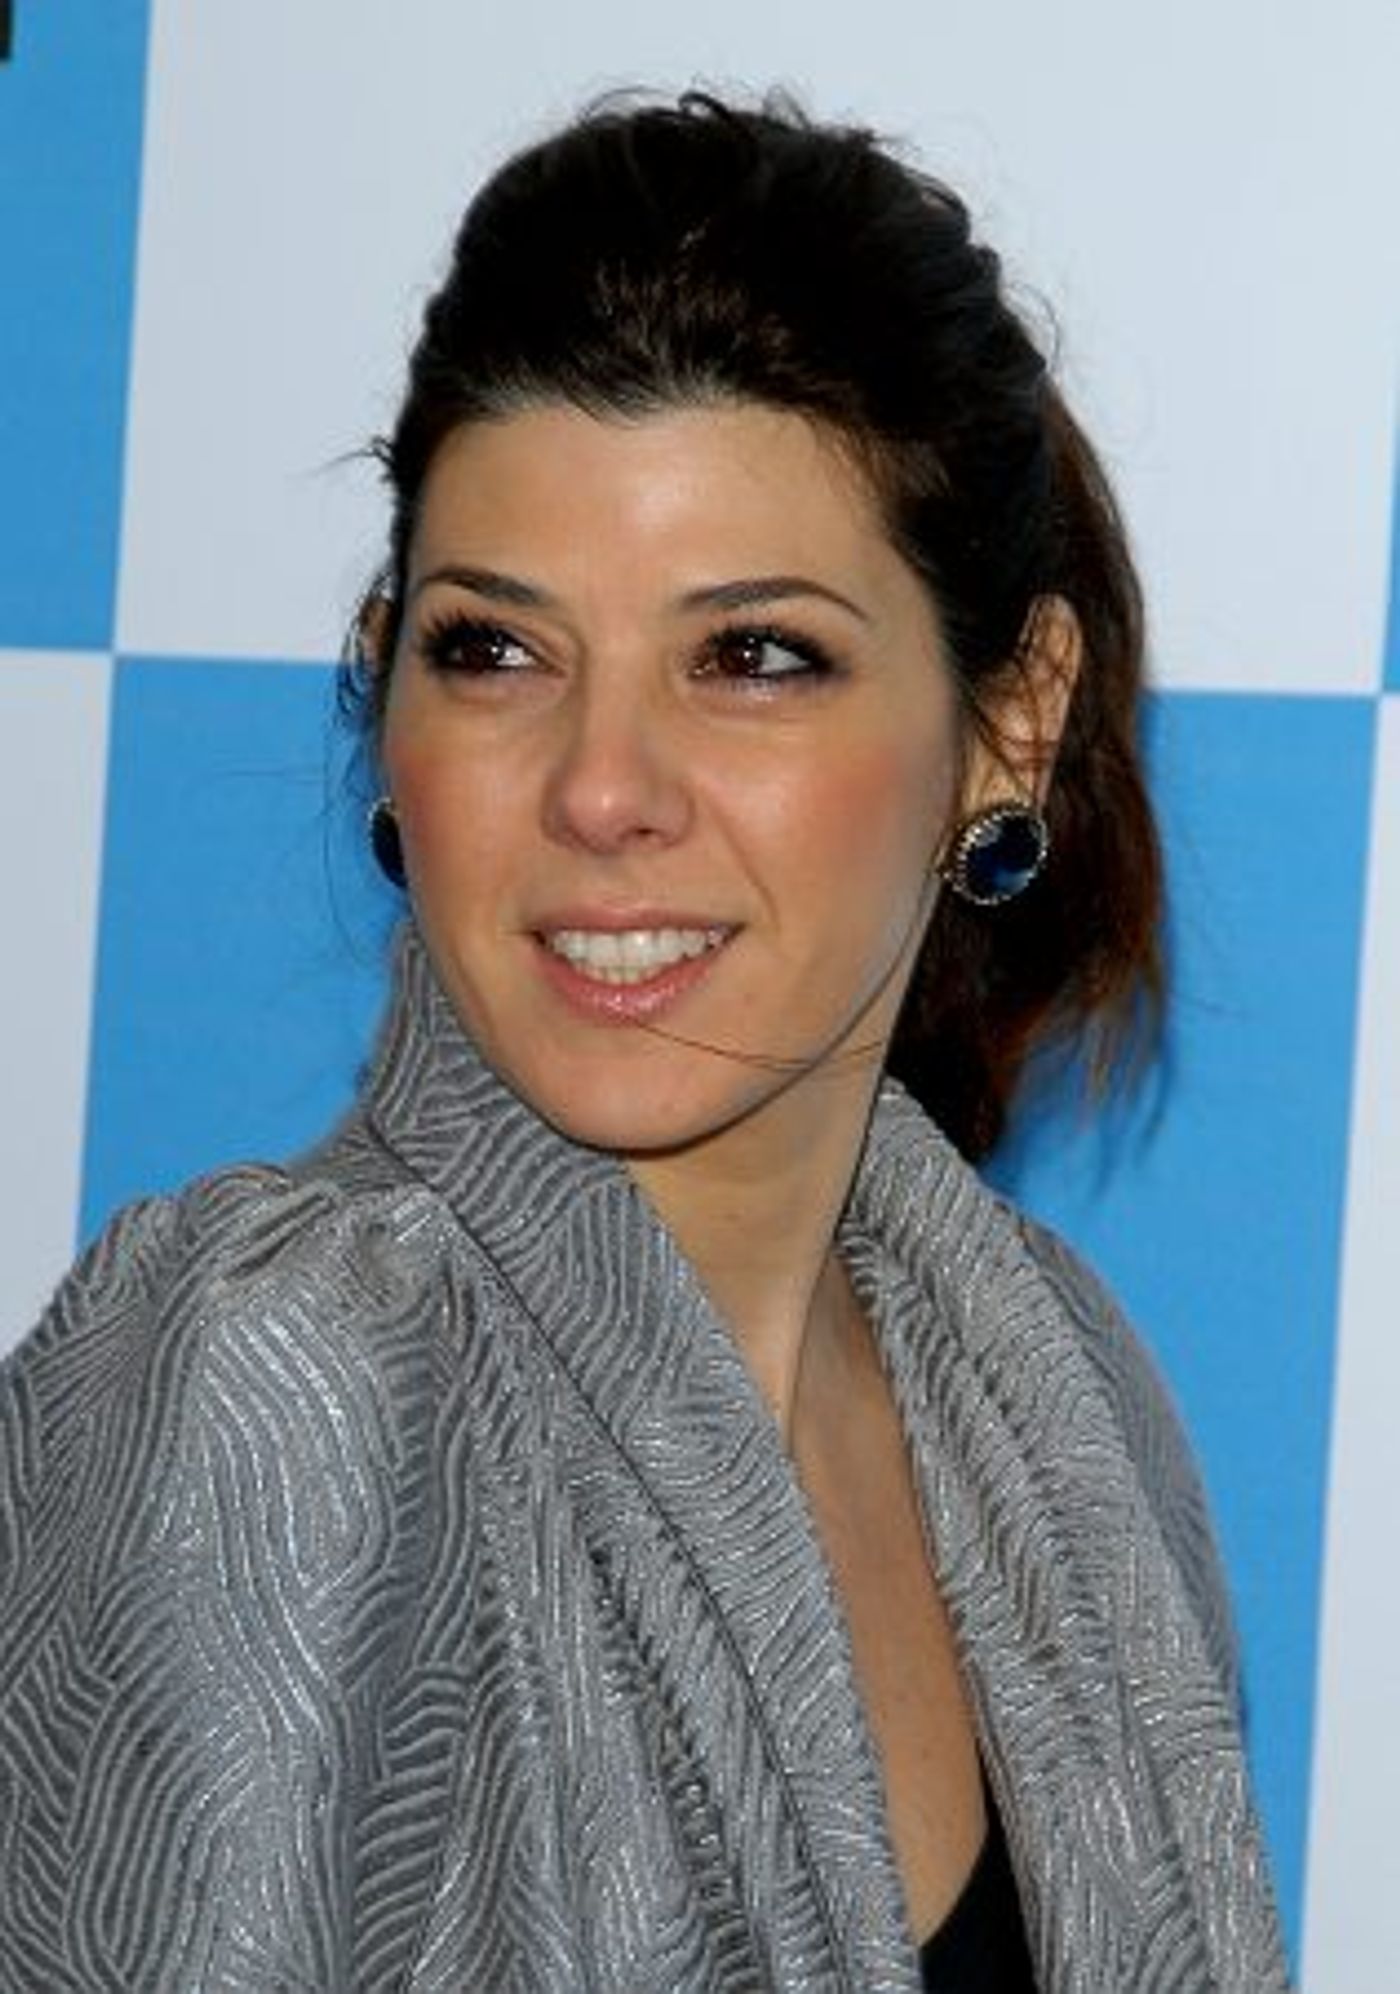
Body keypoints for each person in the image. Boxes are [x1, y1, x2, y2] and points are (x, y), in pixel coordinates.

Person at [0, 93, 1288, 1992]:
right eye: (495, 649)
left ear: (1009, 722)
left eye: (751, 655)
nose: (600, 788)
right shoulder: (275, 1382)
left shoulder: (1065, 1411)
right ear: (389, 694)